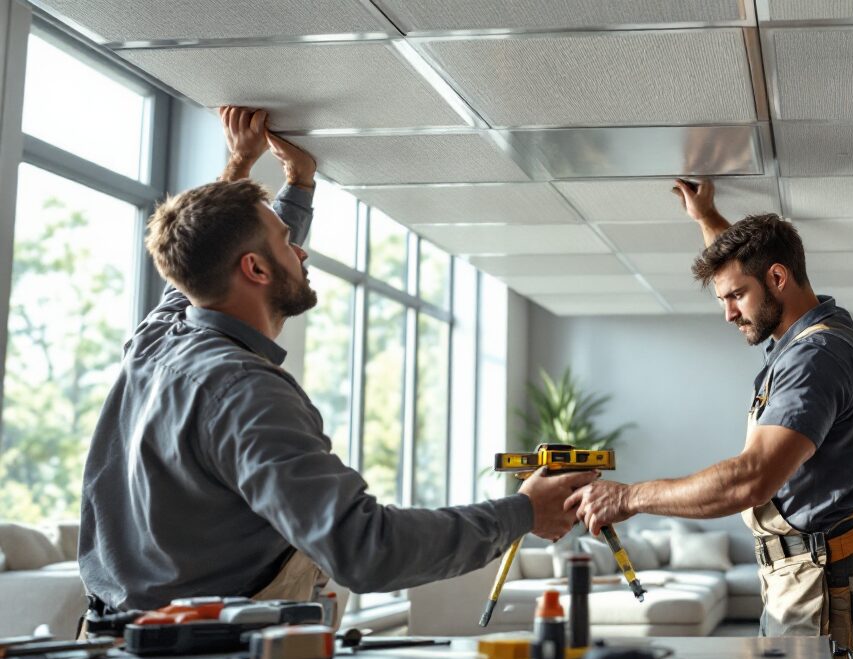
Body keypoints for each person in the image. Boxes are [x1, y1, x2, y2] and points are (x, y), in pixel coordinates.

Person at [79, 107, 592, 616]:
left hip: (115, 645)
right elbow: (366, 548)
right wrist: (523, 511)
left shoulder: (158, 337)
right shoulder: (244, 393)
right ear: (254, 267)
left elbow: (200, 257)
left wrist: (272, 177)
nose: (300, 253)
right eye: (287, 242)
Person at [567, 179, 853, 659]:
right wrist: (707, 217)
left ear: (778, 279)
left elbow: (751, 479)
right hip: (809, 577)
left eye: (735, 297)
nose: (727, 313)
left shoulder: (816, 358)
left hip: (826, 586)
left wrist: (629, 498)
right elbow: (742, 264)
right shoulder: (806, 334)